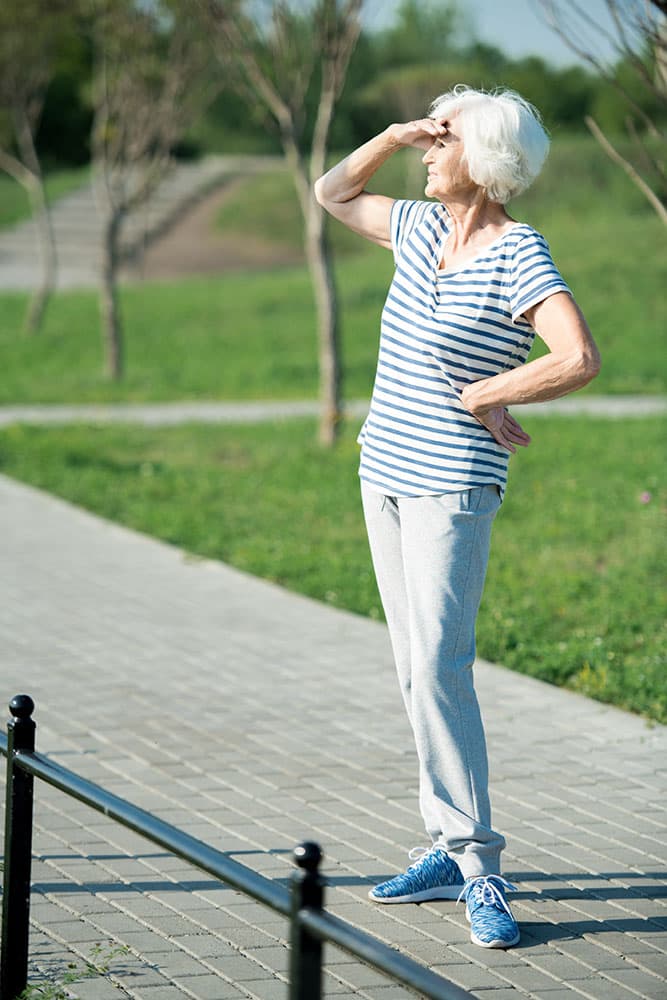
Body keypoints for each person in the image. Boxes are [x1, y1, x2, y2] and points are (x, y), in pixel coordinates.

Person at [314, 86, 600, 949]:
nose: (424, 154)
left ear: (483, 160)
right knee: (413, 667)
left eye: (440, 142)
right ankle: (446, 844)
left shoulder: (520, 254)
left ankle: (479, 866)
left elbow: (577, 356)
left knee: (439, 665)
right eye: (424, 141)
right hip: (384, 472)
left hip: (451, 484)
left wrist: (487, 392)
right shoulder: (415, 228)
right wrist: (393, 132)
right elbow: (330, 193)